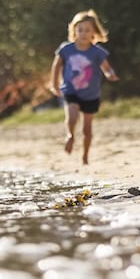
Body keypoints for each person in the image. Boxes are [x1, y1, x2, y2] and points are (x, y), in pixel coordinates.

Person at [48, 10, 118, 165]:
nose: (84, 33)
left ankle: (85, 156)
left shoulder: (97, 52)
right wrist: (53, 84)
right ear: (74, 31)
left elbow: (106, 67)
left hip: (91, 94)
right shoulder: (66, 49)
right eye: (80, 30)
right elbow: (56, 66)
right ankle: (70, 136)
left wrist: (110, 74)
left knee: (87, 129)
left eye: (88, 30)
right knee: (72, 117)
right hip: (70, 90)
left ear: (94, 32)